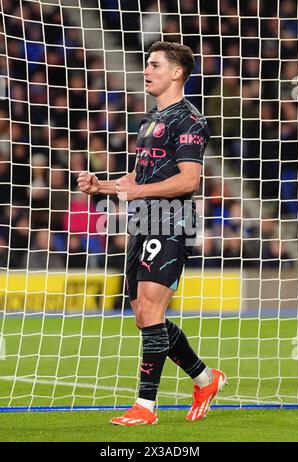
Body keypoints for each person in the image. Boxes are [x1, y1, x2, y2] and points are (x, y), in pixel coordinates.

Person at [77, 41, 227, 426]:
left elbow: (189, 179)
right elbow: (140, 177)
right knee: (145, 315)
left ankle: (145, 406)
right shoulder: (149, 120)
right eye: (146, 64)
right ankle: (205, 379)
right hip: (142, 221)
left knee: (150, 309)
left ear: (177, 72)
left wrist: (139, 192)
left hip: (171, 221)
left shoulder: (189, 121)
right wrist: (103, 187)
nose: (146, 71)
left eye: (155, 65)